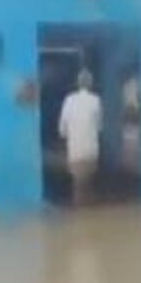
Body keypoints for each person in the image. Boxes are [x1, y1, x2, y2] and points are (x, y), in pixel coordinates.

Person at [58, 69, 102, 206]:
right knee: (88, 185)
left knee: (78, 187)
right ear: (91, 84)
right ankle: (89, 219)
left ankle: (81, 219)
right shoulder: (96, 100)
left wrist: (66, 135)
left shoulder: (68, 100)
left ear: (77, 83)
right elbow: (100, 126)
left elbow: (62, 129)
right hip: (91, 150)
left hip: (75, 150)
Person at [121, 66, 141, 175]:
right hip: (133, 117)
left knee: (131, 143)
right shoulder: (138, 84)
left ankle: (131, 170)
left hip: (131, 118)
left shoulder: (126, 86)